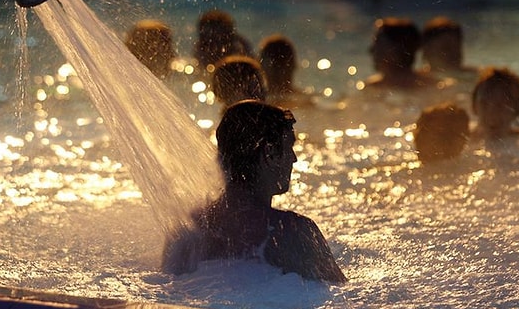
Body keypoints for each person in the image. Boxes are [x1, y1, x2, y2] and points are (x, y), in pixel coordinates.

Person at [163, 100, 347, 283]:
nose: (294, 158)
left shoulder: (188, 229)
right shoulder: (291, 232)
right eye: (289, 146)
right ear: (269, 153)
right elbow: (339, 297)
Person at [365, 17, 438, 89]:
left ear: (398, 50)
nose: (371, 51)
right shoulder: (435, 86)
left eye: (378, 45)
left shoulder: (372, 89)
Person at [258, 33, 315, 108]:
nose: (279, 72)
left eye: (281, 65)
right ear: (294, 66)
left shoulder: (255, 100)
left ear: (261, 67)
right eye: (276, 66)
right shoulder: (306, 100)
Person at [470, 66, 519, 140]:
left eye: (500, 105)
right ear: (474, 107)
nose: (491, 113)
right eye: (484, 104)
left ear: (517, 109)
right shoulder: (460, 142)